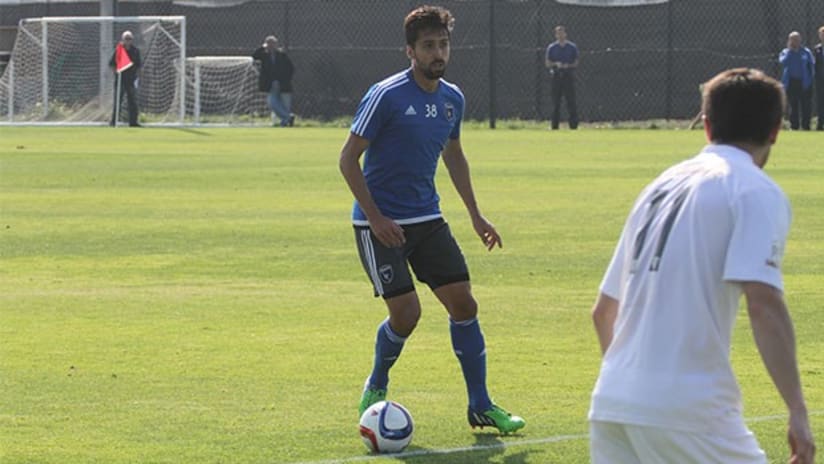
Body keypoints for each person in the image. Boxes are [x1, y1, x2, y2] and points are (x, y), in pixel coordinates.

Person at [588, 68, 815, 463]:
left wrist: (633, 392)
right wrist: (797, 410)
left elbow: (604, 312)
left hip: (612, 404)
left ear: (706, 126)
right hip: (690, 411)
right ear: (776, 130)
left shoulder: (660, 186)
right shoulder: (754, 190)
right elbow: (763, 305)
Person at [339, 5, 525, 435]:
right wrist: (377, 217)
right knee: (406, 315)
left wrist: (476, 216)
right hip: (378, 225)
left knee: (464, 304)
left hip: (427, 218)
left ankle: (480, 406)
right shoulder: (386, 95)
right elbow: (348, 159)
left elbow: (454, 155)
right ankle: (376, 383)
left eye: (443, 44)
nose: (438, 52)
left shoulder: (452, 99)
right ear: (411, 51)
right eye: (428, 46)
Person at [252, 35, 295, 127]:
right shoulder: (264, 55)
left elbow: (291, 68)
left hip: (283, 84)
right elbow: (254, 56)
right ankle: (288, 117)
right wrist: (263, 47)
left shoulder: (282, 55)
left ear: (276, 45)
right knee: (272, 102)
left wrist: (285, 80)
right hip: (271, 84)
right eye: (269, 44)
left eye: (273, 44)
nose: (271, 46)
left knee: (285, 104)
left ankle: (285, 122)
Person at [545, 25, 579, 130]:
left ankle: (573, 126)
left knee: (571, 102)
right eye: (558, 33)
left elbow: (576, 62)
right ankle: (554, 126)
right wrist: (556, 64)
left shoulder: (572, 47)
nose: (560, 35)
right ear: (555, 35)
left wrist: (567, 65)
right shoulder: (551, 47)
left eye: (562, 33)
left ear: (565, 34)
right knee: (556, 103)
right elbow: (547, 63)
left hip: (568, 76)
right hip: (556, 76)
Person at [779, 31, 815, 130]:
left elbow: (811, 65)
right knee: (793, 106)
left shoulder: (806, 52)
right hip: (791, 82)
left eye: (797, 39)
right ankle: (794, 126)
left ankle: (806, 126)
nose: (795, 42)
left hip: (804, 83)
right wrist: (791, 51)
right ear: (789, 40)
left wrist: (810, 79)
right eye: (793, 39)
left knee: (806, 106)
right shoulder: (785, 52)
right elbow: (783, 62)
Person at [109, 30, 141, 127]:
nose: (128, 41)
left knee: (132, 101)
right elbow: (112, 64)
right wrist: (116, 74)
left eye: (130, 39)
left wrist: (137, 77)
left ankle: (133, 122)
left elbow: (139, 65)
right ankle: (114, 122)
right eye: (126, 39)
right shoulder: (119, 50)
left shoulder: (135, 51)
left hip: (131, 80)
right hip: (120, 80)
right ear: (123, 39)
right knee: (118, 101)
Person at [814, 26, 824, 131]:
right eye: (822, 35)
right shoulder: (817, 49)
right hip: (821, 80)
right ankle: (820, 124)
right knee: (821, 102)